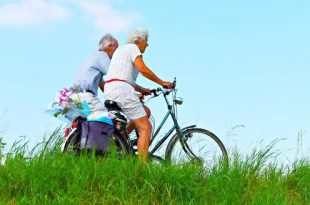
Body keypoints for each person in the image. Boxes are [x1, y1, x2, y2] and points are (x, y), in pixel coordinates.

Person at [103, 28, 173, 161]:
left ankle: (121, 140)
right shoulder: (133, 48)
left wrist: (141, 89)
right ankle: (141, 169)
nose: (147, 44)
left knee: (145, 111)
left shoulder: (121, 50)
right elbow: (143, 69)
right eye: (146, 41)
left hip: (112, 88)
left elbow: (123, 76)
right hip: (121, 90)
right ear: (138, 40)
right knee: (146, 128)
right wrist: (162, 82)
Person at [72, 34, 119, 114]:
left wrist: (117, 97)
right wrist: (133, 94)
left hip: (76, 98)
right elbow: (117, 76)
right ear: (109, 46)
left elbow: (103, 85)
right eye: (116, 48)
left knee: (88, 124)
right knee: (110, 120)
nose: (117, 52)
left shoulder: (92, 56)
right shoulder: (103, 56)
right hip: (86, 98)